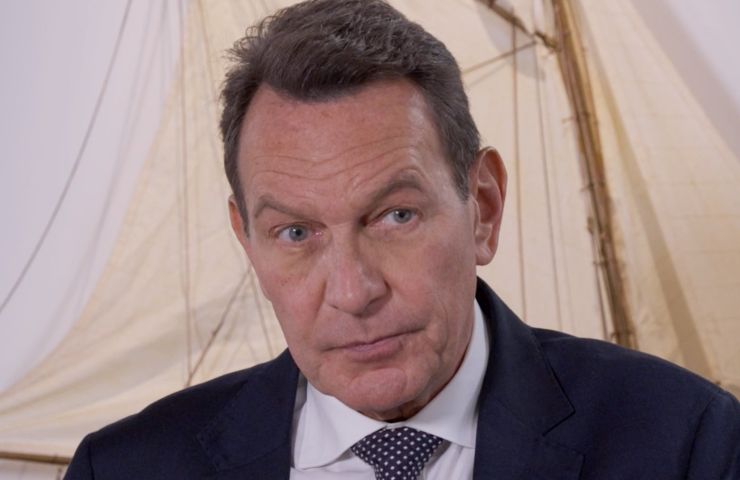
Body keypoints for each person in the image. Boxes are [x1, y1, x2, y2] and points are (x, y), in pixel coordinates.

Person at [65, 0, 740, 478]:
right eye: (296, 233)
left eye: (394, 217)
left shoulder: (689, 445)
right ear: (247, 242)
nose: (353, 292)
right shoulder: (122, 469)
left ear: (483, 208)